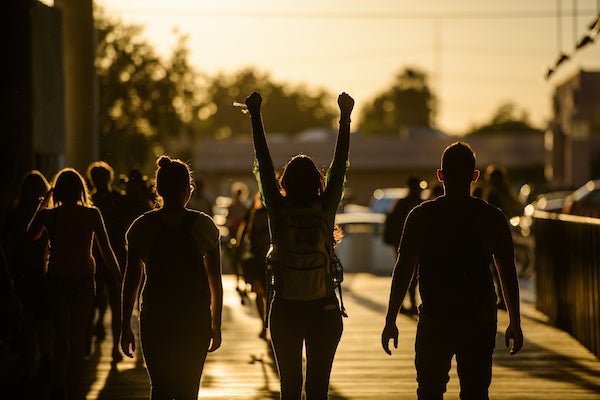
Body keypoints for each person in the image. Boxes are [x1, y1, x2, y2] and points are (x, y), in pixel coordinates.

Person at [381, 142, 523, 400]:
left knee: (429, 391)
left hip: (436, 318)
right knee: (476, 392)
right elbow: (507, 272)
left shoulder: (421, 217)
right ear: (475, 176)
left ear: (440, 175)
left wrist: (391, 318)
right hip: (479, 318)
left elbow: (404, 269)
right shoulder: (492, 218)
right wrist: (515, 320)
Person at [246, 90, 354, 400]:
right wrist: (344, 117)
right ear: (317, 183)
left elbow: (264, 164)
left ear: (285, 182)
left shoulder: (278, 212)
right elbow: (340, 164)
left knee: (289, 389)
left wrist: (255, 115)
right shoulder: (325, 207)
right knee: (318, 389)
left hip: (286, 309)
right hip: (324, 309)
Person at [121, 155, 223, 400]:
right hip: (195, 320)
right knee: (189, 392)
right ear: (187, 190)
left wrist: (125, 326)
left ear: (158, 190)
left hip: (156, 320)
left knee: (161, 389)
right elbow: (215, 283)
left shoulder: (141, 228)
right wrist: (216, 324)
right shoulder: (204, 226)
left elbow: (131, 282)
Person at [27, 167, 122, 400]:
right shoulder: (92, 215)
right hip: (83, 279)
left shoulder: (50, 215)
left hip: (57, 279)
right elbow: (106, 250)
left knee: (61, 335)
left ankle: (57, 383)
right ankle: (73, 387)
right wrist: (119, 276)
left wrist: (44, 202)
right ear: (81, 189)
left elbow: (31, 234)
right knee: (79, 336)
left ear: (57, 190)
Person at [1, 170, 53, 383]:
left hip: (21, 273)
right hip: (43, 273)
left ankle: (30, 365)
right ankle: (47, 359)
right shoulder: (47, 215)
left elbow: (8, 247)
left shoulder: (14, 216)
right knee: (44, 320)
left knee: (28, 320)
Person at [87, 161, 127, 363]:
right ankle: (97, 339)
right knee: (95, 302)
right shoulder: (91, 201)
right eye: (96, 177)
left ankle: (114, 347)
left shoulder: (93, 201)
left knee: (113, 303)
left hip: (112, 257)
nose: (99, 181)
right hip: (97, 258)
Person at [382, 176, 424, 315]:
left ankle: (409, 303)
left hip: (406, 243)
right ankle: (410, 302)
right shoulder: (412, 204)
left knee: (409, 273)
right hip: (406, 244)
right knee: (409, 273)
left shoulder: (405, 203)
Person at [236, 191, 270, 338]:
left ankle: (264, 323)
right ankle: (266, 323)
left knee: (259, 292)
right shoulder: (269, 213)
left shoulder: (254, 214)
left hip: (258, 257)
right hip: (267, 258)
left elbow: (244, 236)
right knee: (267, 293)